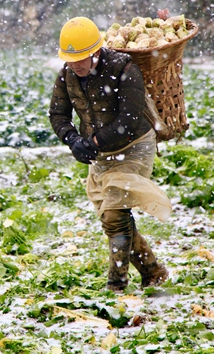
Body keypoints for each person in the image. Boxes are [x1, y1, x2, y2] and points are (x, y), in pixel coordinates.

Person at [49, 17, 171, 292]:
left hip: (134, 146)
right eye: (70, 59)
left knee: (115, 215)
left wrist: (92, 141)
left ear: (96, 52)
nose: (76, 64)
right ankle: (153, 271)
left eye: (81, 58)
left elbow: (128, 120)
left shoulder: (124, 70)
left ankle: (116, 284)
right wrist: (72, 139)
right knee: (112, 214)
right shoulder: (68, 75)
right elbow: (57, 114)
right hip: (102, 152)